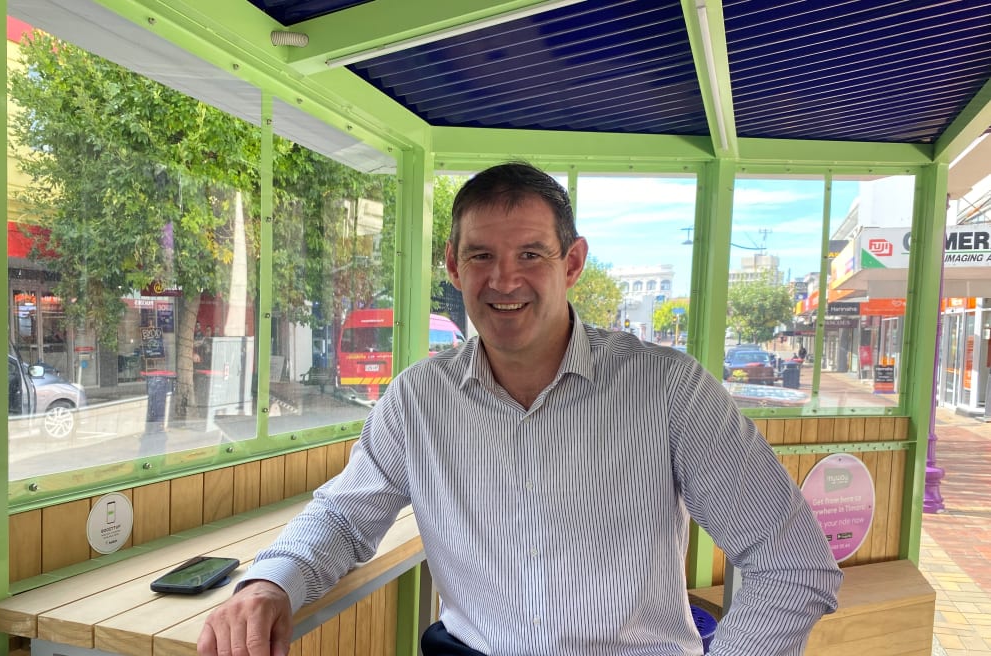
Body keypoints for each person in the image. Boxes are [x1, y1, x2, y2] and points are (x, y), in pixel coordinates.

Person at [198, 162, 842, 656]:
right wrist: (267, 585)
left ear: (573, 262)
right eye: (481, 255)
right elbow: (342, 518)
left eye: (530, 254)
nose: (504, 280)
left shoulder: (668, 389)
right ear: (453, 265)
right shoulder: (418, 399)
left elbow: (792, 561)